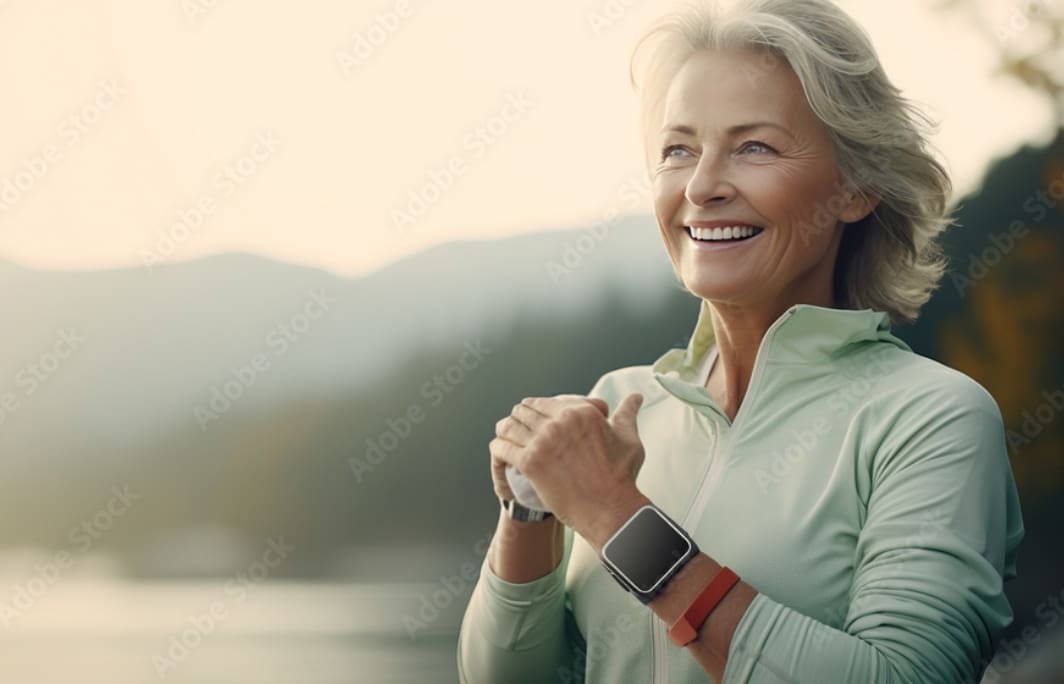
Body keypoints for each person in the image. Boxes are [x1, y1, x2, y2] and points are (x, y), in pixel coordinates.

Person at [456, 0, 1025, 681]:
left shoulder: (931, 419)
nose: (701, 186)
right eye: (678, 150)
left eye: (754, 146)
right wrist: (530, 510)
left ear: (857, 187)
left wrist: (614, 513)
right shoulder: (619, 407)